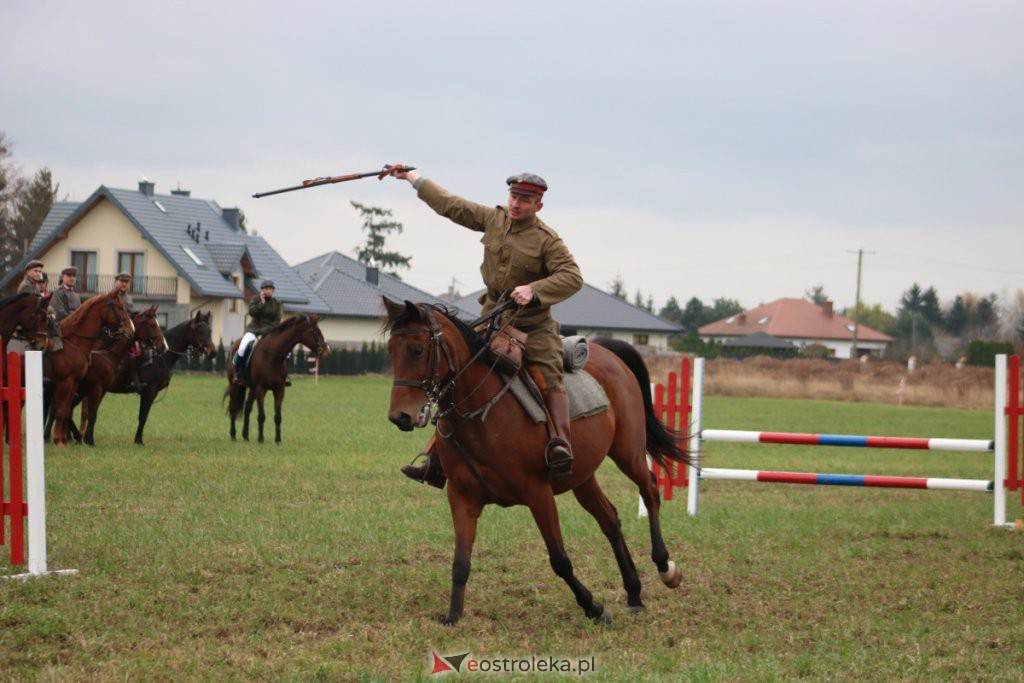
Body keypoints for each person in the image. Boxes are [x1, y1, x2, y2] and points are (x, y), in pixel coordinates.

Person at [390, 166, 583, 486]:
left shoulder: (548, 241)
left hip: (533, 327)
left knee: (549, 375)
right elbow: (452, 205)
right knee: (457, 376)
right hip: (492, 320)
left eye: (525, 199)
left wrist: (535, 290)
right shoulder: (494, 219)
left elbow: (573, 277)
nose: (516, 204)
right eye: (514, 196)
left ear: (539, 206)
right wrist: (414, 178)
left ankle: (560, 443)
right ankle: (436, 460)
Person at [232, 279, 284, 385]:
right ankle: (238, 373)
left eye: (270, 289)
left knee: (284, 349)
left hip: (269, 331)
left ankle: (283, 375)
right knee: (242, 346)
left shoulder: (276, 303)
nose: (268, 291)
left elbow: (276, 321)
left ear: (273, 290)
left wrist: (266, 330)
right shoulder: (255, 299)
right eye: (266, 289)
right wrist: (261, 303)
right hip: (254, 329)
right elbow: (252, 313)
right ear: (262, 290)